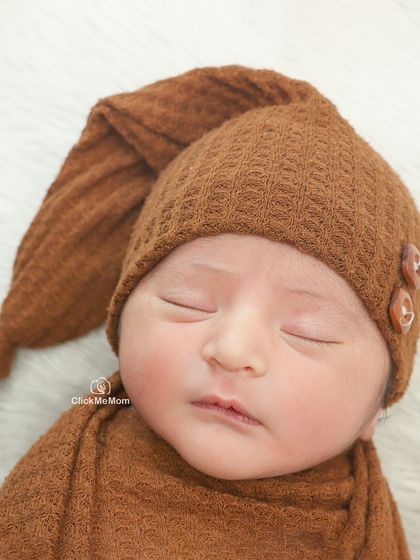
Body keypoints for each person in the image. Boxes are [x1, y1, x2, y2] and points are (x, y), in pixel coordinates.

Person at [0, 64, 418, 559]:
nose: (232, 349)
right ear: (121, 323)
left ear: (376, 407)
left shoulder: (362, 530)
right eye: (187, 302)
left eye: (309, 332)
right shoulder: (73, 461)